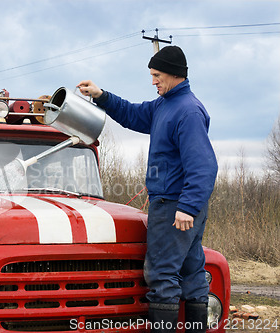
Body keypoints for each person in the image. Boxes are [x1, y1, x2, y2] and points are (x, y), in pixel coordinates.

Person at [78, 46, 218, 333]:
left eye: (156, 75)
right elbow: (131, 114)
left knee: (162, 276)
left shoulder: (187, 110)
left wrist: (187, 207)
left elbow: (204, 166)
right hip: (180, 206)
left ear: (173, 74)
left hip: (174, 206)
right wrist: (101, 96)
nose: (153, 81)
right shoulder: (163, 105)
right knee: (191, 275)